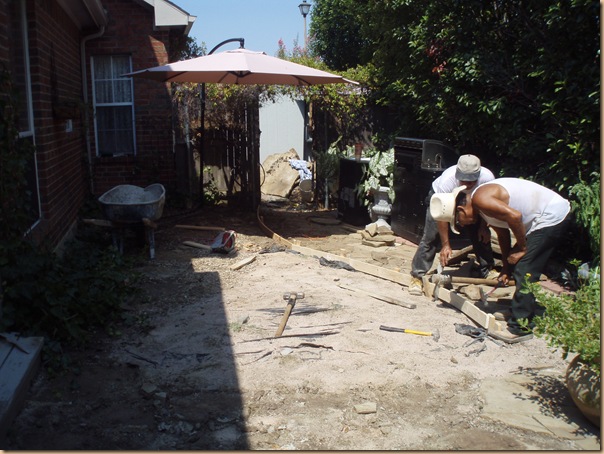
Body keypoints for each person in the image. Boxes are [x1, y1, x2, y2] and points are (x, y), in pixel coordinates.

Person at [449, 177, 571, 343]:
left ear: (461, 209)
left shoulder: (481, 199)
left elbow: (515, 216)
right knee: (518, 265)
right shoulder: (482, 208)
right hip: (542, 217)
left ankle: (520, 327)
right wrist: (506, 268)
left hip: (551, 215)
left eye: (458, 221)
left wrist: (522, 248)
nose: (462, 225)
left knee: (525, 269)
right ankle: (520, 310)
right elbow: (503, 235)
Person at [408, 154, 496, 296]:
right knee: (431, 236)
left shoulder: (488, 179)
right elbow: (442, 216)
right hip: (442, 199)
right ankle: (417, 276)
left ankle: (487, 269)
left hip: (474, 200)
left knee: (481, 234)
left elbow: (488, 206)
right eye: (463, 180)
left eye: (471, 181)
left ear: (478, 175)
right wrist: (446, 244)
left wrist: (484, 226)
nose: (467, 184)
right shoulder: (447, 181)